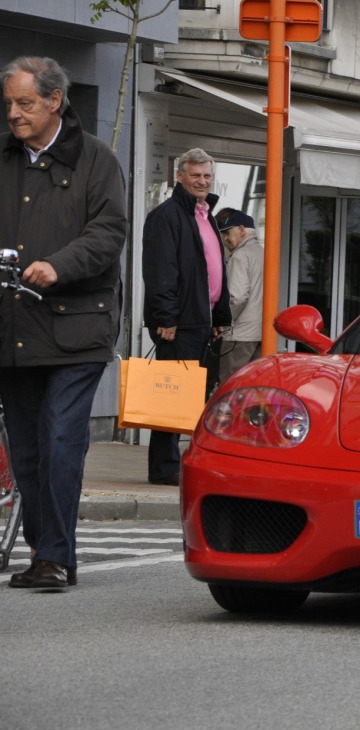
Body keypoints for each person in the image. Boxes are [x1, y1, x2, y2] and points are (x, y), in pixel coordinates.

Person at [0, 55, 128, 589]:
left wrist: (59, 265)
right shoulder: (4, 159)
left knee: (59, 438)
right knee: (26, 449)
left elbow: (109, 232)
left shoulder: (97, 161)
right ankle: (42, 551)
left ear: (55, 101)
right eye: (8, 104)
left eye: (25, 103)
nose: (14, 114)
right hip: (13, 330)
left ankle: (54, 557)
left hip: (77, 330)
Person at [141, 147, 231, 486]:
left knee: (193, 397)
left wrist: (220, 315)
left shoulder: (204, 214)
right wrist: (165, 317)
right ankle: (164, 467)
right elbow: (161, 270)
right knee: (171, 397)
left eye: (207, 175)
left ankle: (181, 462)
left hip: (202, 320)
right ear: (180, 176)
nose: (203, 181)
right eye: (196, 175)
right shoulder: (167, 216)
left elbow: (212, 269)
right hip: (179, 322)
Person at [214, 208, 263, 380]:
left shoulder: (240, 256)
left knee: (231, 387)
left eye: (227, 233)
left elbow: (237, 296)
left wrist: (221, 322)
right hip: (261, 334)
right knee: (253, 389)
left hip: (239, 335)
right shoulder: (264, 253)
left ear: (242, 229)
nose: (225, 239)